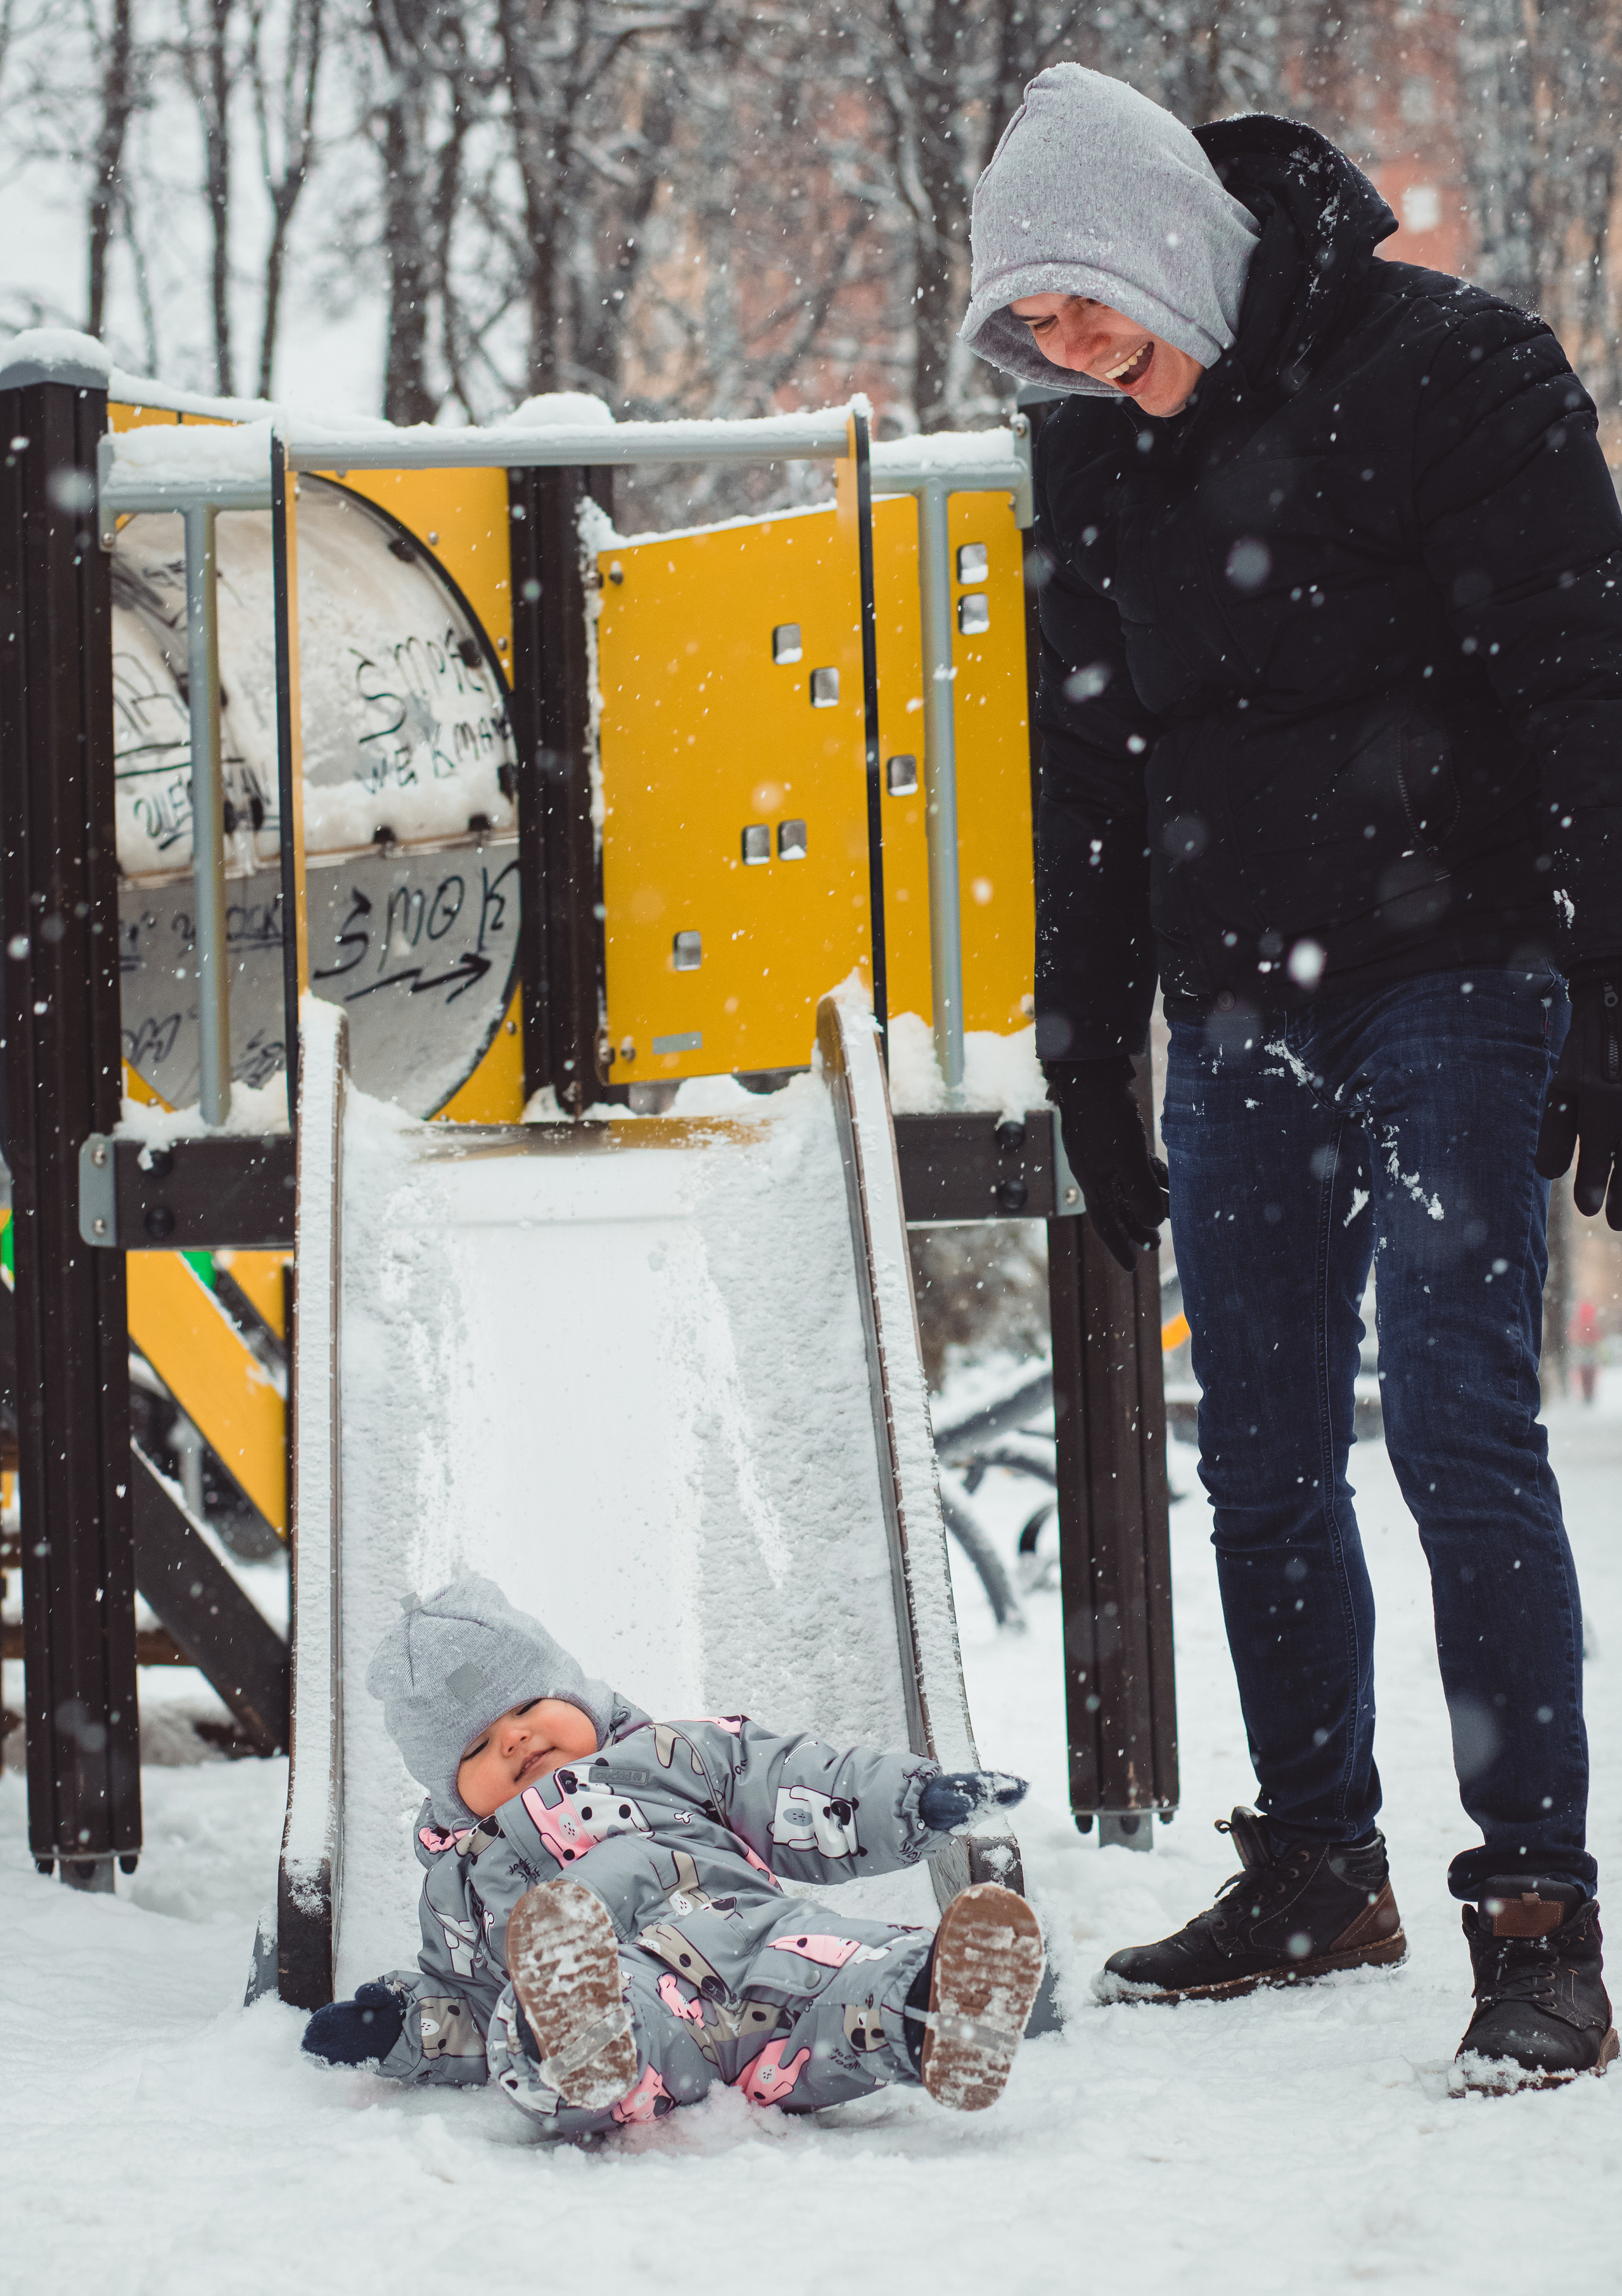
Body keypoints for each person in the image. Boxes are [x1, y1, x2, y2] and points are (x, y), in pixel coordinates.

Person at [960, 64, 1621, 2084]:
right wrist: (1088, 1050)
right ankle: (1317, 1863)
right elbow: (1081, 769)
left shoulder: (1452, 373)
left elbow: (1582, 686)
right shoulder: (1088, 458)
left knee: (1446, 1404)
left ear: (1171, 248)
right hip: (1240, 995)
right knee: (1252, 1440)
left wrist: (1608, 992)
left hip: (1459, 966)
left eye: (1093, 315)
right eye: (1038, 335)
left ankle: (1533, 1911)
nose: (1078, 362)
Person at [300, 1576, 1043, 2132]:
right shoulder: (459, 1881)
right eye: (477, 1745)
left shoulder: (669, 1756)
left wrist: (912, 1800)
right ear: (450, 1790)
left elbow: (792, 1781)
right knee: (533, 2025)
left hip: (756, 1933)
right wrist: (401, 2028)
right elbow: (463, 1998)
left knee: (850, 1967)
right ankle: (570, 2041)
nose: (517, 1738)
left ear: (578, 1693)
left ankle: (932, 2008)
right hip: (624, 1994)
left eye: (528, 1706)